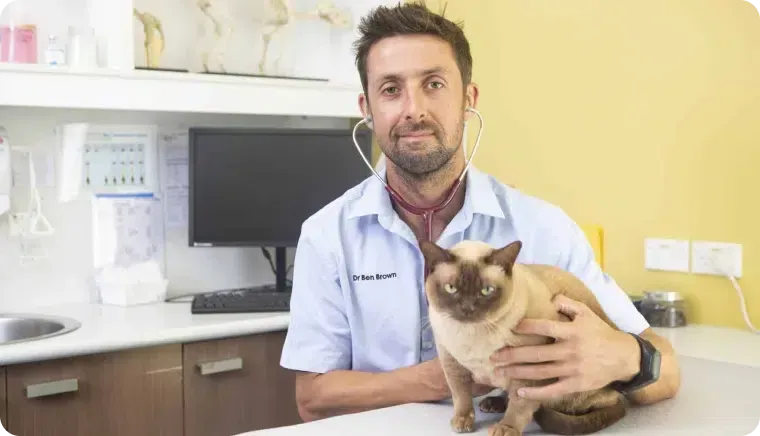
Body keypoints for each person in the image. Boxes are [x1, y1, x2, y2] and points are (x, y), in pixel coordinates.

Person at [279, 1, 680, 423]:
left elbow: (667, 373)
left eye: (433, 84)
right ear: (367, 108)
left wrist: (621, 358)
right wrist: (454, 371)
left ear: (469, 98)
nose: (413, 109)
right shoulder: (327, 235)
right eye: (391, 89)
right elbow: (314, 398)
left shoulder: (542, 227)